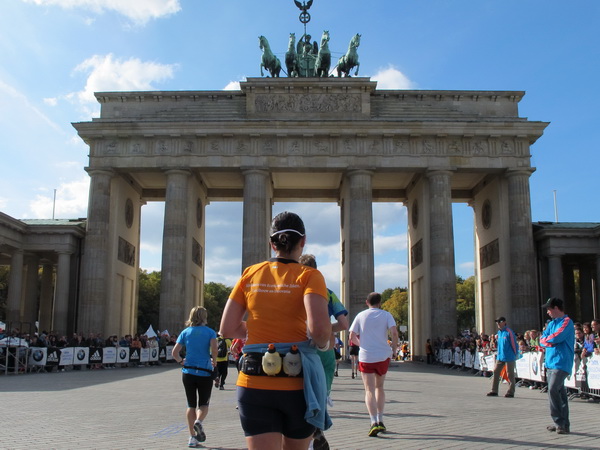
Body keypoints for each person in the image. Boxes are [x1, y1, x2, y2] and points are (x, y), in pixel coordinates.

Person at [219, 211, 332, 450]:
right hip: (297, 385)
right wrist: (323, 345)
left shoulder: (250, 273)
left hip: (254, 382)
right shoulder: (310, 276)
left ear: (272, 244)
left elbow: (226, 328)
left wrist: (259, 328)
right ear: (303, 241)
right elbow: (320, 331)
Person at [298, 253, 349, 450]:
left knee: (300, 396)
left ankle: (308, 439)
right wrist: (326, 329)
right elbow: (343, 324)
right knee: (320, 394)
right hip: (326, 350)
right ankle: (317, 431)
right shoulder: (328, 293)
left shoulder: (294, 290)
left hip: (303, 348)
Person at [349, 292, 398, 437]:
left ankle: (373, 422)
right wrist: (394, 350)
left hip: (366, 356)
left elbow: (351, 336)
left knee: (369, 390)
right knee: (379, 387)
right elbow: (394, 333)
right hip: (383, 355)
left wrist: (362, 345)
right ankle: (381, 420)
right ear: (380, 302)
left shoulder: (360, 315)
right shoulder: (387, 315)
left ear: (367, 302)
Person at [172, 306, 218, 448]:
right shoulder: (210, 332)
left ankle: (192, 437)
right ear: (204, 317)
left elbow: (174, 352)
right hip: (204, 371)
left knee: (190, 404)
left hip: (188, 372)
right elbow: (214, 349)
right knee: (203, 403)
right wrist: (214, 361)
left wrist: (181, 361)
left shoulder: (185, 332)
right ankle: (199, 421)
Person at [540, 297, 575, 435]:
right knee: (560, 393)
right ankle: (563, 424)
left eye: (549, 309)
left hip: (561, 362)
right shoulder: (551, 324)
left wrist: (547, 341)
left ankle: (559, 421)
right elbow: (542, 339)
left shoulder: (567, 322)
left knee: (553, 389)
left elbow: (556, 337)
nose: (547, 312)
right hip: (550, 362)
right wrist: (548, 341)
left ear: (555, 308)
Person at [486, 317, 518, 398]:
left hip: (509, 356)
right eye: (497, 322)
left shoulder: (509, 332)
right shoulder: (499, 333)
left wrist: (515, 353)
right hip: (500, 356)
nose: (498, 324)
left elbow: (514, 344)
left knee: (510, 374)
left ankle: (511, 392)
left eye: (500, 322)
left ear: (504, 322)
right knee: (496, 371)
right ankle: (494, 390)